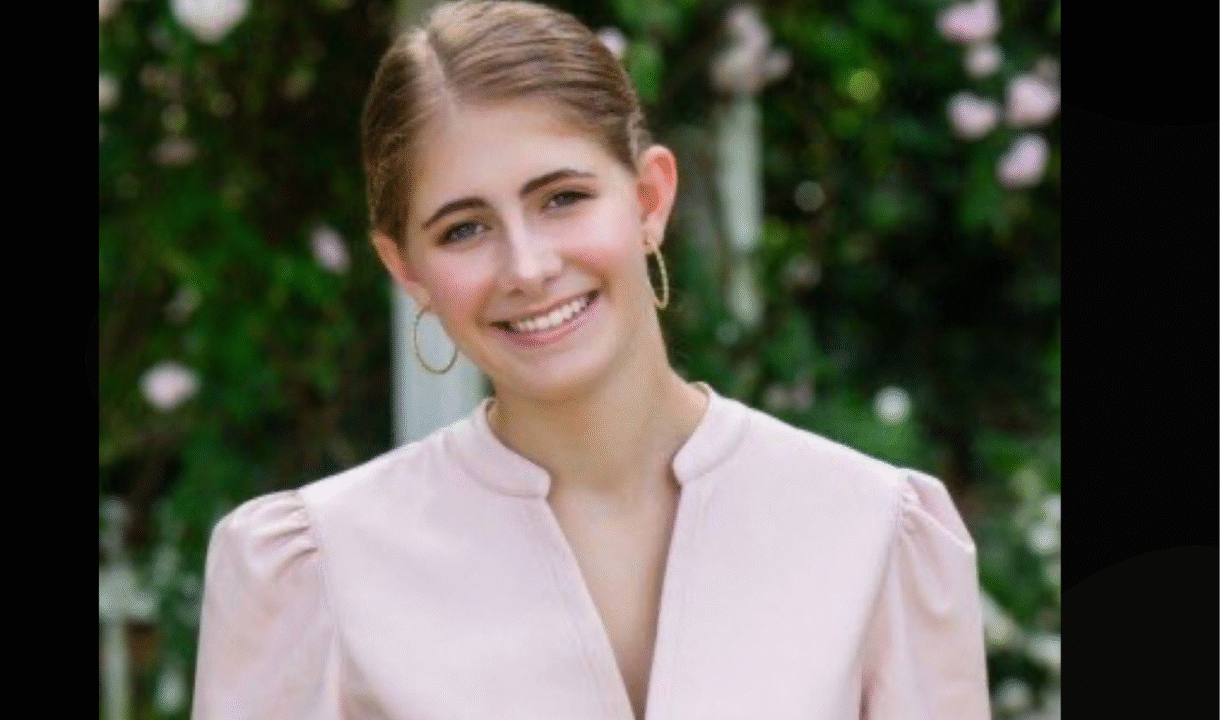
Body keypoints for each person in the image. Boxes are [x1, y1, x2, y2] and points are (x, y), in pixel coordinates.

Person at [190, 2, 993, 718]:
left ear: (649, 199)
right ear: (407, 271)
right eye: (464, 229)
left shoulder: (873, 532)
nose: (528, 266)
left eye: (562, 198)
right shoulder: (315, 572)